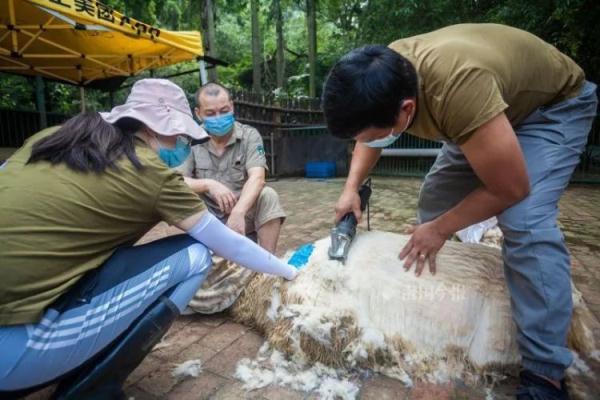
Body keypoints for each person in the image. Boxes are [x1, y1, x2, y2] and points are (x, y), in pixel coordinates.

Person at [321, 23, 597, 400]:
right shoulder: (383, 74)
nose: (366, 143)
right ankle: (438, 304)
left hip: (552, 108)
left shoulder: (456, 87)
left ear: (407, 109)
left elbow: (511, 187)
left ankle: (545, 372)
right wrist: (350, 188)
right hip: (482, 112)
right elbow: (370, 137)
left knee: (524, 222)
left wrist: (440, 230)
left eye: (369, 136)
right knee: (435, 201)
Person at [0, 79, 298, 399]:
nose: (180, 143)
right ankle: (94, 389)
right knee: (195, 255)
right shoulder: (149, 171)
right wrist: (290, 271)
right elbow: (227, 243)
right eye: (177, 135)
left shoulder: (53, 137)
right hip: (12, 357)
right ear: (154, 129)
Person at [179, 82, 285, 254]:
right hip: (207, 217)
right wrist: (208, 184)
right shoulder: (189, 140)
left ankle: (267, 262)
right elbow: (176, 181)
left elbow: (257, 178)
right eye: (210, 113)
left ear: (232, 107)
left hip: (243, 214)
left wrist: (239, 211)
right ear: (198, 114)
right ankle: (200, 253)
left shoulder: (249, 135)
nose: (218, 117)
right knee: (179, 200)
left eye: (224, 110)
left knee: (268, 195)